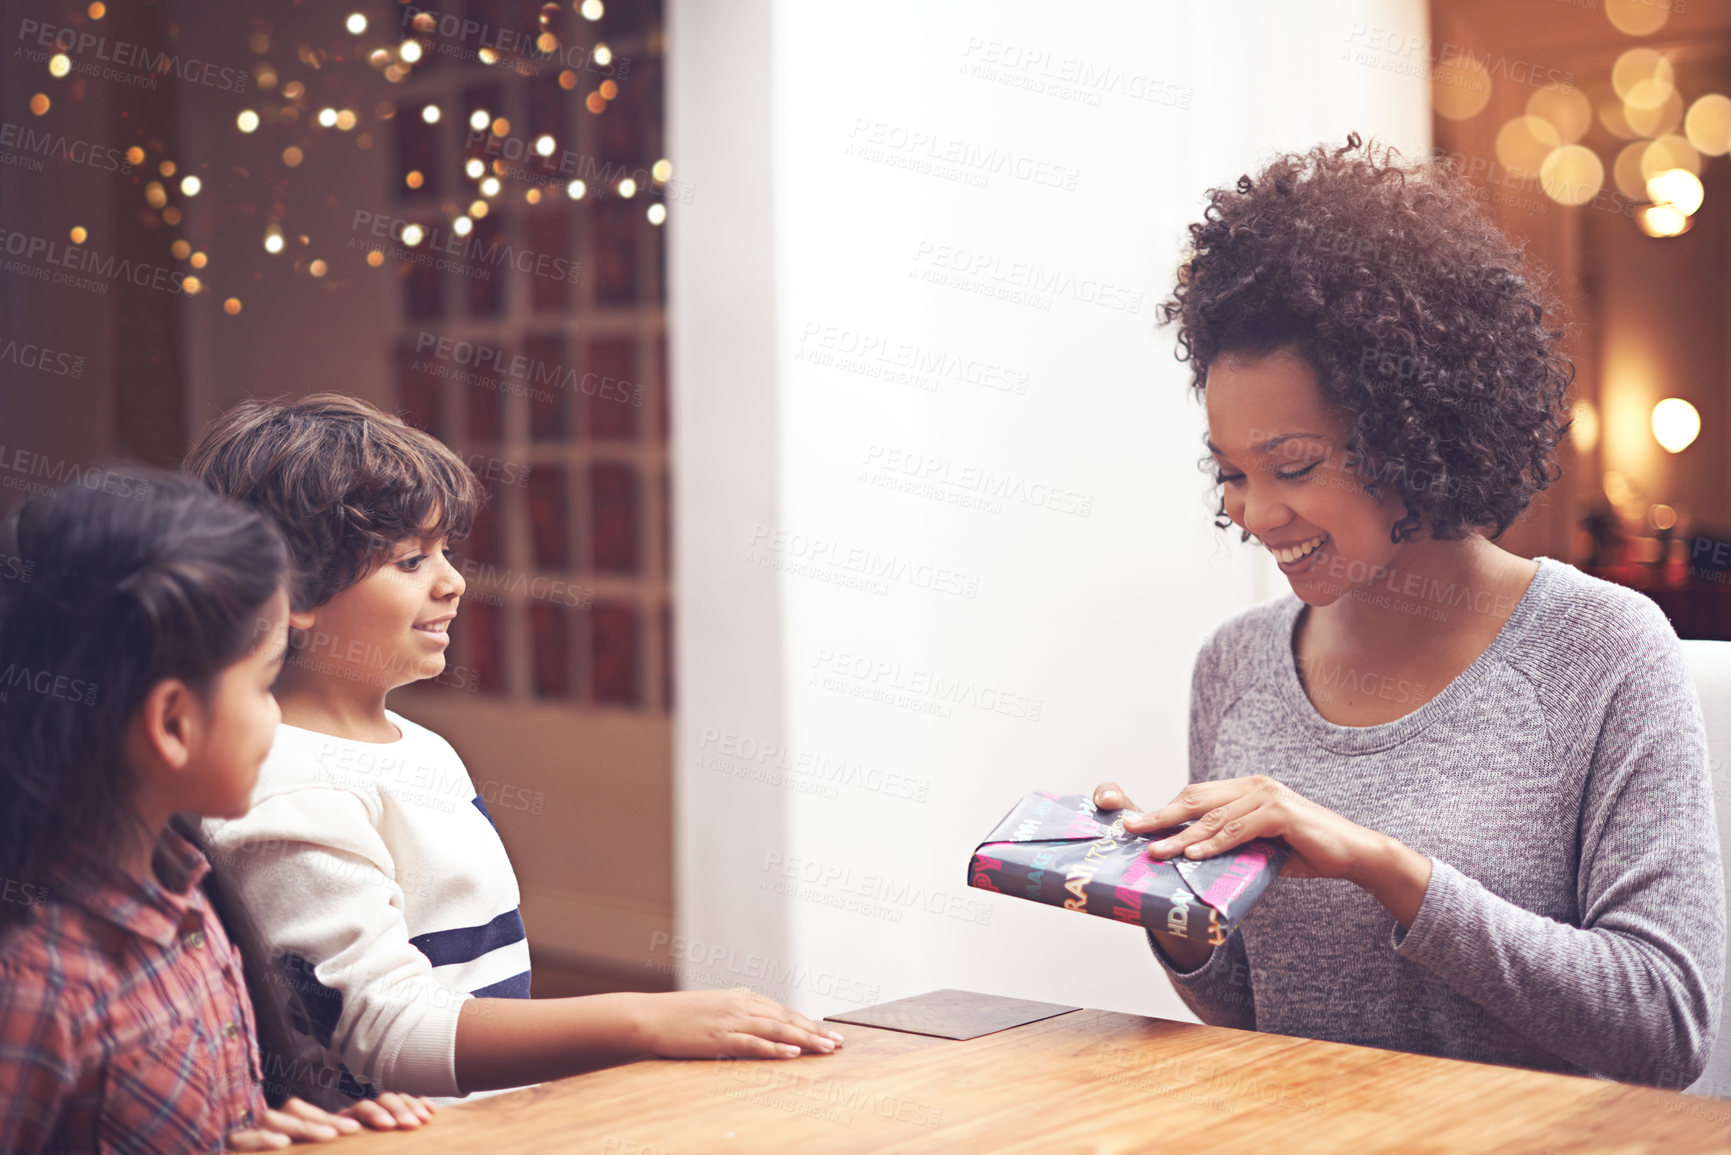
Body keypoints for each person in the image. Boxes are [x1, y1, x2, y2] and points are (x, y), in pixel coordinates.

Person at [1094, 135, 1724, 1087]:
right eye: (1231, 472)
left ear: (1409, 430)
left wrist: (1383, 867)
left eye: (1293, 465)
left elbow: (1664, 1028)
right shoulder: (1235, 665)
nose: (1256, 514)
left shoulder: (1604, 651)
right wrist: (1161, 903)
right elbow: (1245, 1006)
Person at [185, 393, 843, 1106]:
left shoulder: (425, 748)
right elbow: (388, 1028)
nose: (452, 581)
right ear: (292, 594)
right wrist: (645, 1017)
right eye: (409, 560)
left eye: (444, 551)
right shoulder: (284, 779)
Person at [0, 471, 436, 1151]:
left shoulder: (188, 892)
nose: (275, 716)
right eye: (266, 683)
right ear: (173, 721)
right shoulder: (35, 983)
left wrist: (265, 1129)